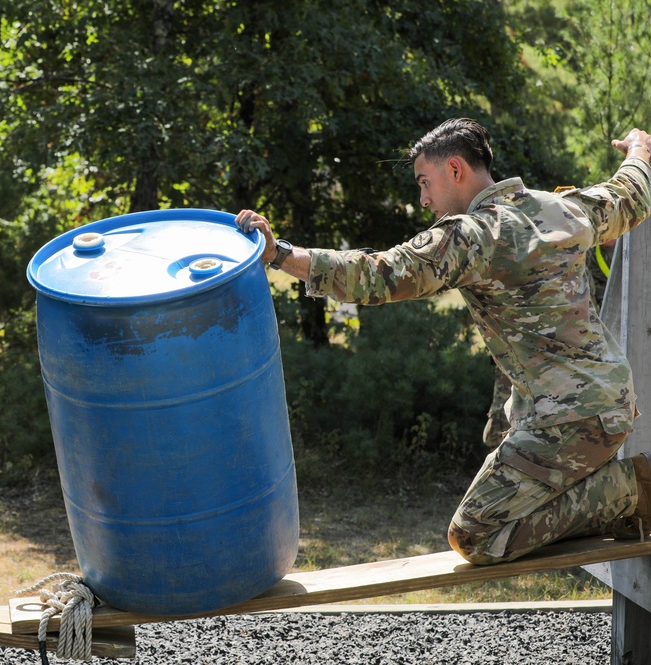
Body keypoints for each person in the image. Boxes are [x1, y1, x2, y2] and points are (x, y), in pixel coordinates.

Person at [236, 118, 651, 566]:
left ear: (455, 169)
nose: (424, 200)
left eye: (424, 182)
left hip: (567, 421)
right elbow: (630, 194)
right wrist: (639, 149)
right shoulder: (563, 208)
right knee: (501, 465)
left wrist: (280, 255)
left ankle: (628, 491)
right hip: (610, 402)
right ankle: (620, 496)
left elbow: (380, 273)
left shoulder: (473, 235)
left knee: (476, 536)